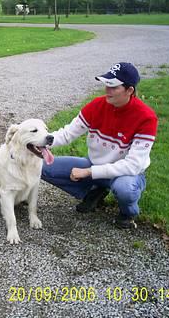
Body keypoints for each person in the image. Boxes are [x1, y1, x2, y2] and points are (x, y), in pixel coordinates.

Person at [41, 62, 158, 229]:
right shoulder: (96, 105)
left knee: (125, 189)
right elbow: (67, 134)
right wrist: (39, 141)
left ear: (129, 91)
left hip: (125, 174)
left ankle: (127, 214)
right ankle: (94, 192)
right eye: (106, 84)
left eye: (113, 86)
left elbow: (133, 165)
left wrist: (89, 172)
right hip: (94, 164)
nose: (107, 90)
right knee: (40, 166)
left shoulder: (146, 118)